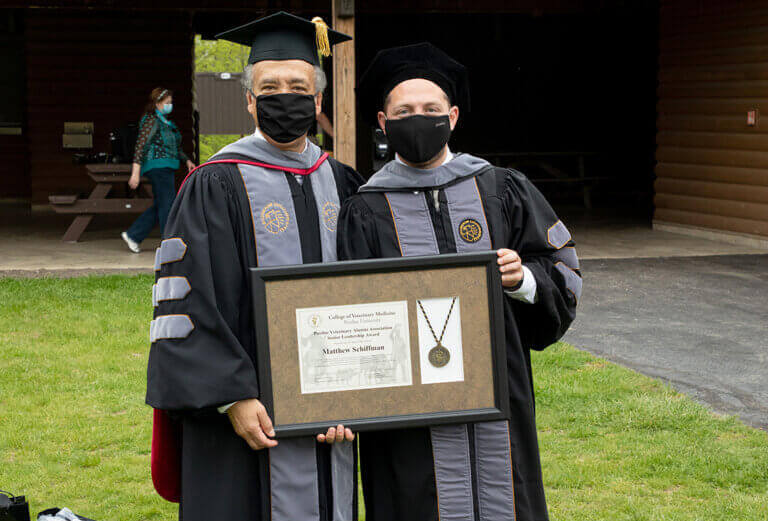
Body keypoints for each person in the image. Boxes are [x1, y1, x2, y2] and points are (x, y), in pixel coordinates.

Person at [339, 42, 582, 521]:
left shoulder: (500, 187)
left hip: (498, 391)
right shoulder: (365, 209)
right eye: (404, 111)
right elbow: (349, 310)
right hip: (404, 406)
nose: (418, 118)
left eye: (430, 109)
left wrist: (523, 280)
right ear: (384, 125)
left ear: (452, 117)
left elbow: (561, 267)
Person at [145, 12, 363, 521]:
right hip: (241, 418)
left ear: (318, 100)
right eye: (269, 87)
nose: (283, 97)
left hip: (332, 408)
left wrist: (358, 390)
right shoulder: (213, 183)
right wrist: (232, 396)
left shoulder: (346, 184)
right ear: (249, 100)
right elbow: (187, 299)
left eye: (297, 86)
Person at [121, 88, 195, 253]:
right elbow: (141, 146)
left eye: (171, 102)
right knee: (167, 204)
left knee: (163, 203)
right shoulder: (151, 121)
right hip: (157, 166)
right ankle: (168, 243)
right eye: (167, 103)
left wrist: (187, 160)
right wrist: (135, 172)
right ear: (157, 103)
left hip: (167, 166)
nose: (170, 106)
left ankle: (133, 235)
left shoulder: (166, 123)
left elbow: (175, 147)